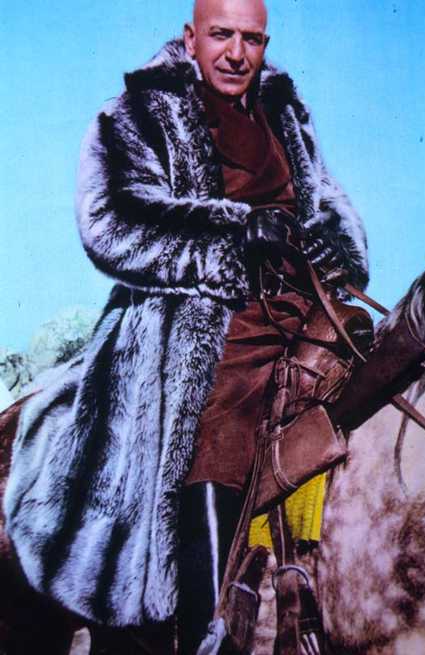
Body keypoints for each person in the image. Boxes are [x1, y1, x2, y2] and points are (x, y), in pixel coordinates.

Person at [4, 0, 369, 651]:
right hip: (197, 318)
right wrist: (230, 232)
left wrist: (332, 242)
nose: (236, 53)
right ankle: (211, 625)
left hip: (302, 307)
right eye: (221, 35)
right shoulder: (139, 112)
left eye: (251, 39)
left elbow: (332, 204)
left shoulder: (286, 113)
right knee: (219, 413)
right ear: (191, 37)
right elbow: (111, 219)